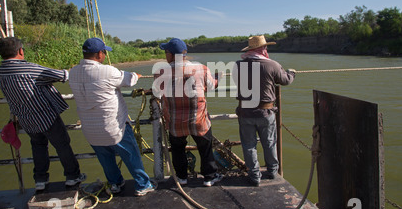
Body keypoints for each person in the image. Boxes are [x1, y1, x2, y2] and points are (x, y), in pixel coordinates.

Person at [0, 37, 86, 191]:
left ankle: (40, 180)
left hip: (26, 118)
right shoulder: (28, 69)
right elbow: (62, 76)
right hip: (45, 116)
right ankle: (72, 176)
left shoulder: (1, 72)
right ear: (20, 51)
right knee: (62, 144)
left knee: (38, 146)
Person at [69, 37, 154, 195]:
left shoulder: (73, 72)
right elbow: (130, 79)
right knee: (131, 155)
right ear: (100, 54)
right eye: (104, 53)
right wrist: (137, 75)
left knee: (106, 159)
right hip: (114, 127)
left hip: (90, 130)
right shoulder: (107, 71)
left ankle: (115, 183)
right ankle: (143, 185)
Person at [152, 38, 223, 187]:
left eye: (166, 52)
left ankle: (182, 177)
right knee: (205, 147)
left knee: (177, 149)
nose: (165, 55)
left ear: (171, 55)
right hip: (198, 120)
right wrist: (218, 78)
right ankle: (209, 177)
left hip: (175, 122)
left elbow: (156, 93)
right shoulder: (202, 69)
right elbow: (210, 86)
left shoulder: (160, 72)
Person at [233, 35, 295, 186]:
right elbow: (285, 80)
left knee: (249, 145)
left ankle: (254, 176)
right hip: (265, 112)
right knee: (269, 143)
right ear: (263, 49)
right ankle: (273, 172)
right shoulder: (272, 65)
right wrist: (292, 73)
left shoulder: (237, 65)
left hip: (245, 112)